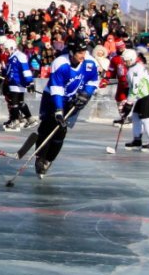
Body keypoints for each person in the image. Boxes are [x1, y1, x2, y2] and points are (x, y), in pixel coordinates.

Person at [32, 35, 99, 178]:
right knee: (46, 128)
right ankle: (40, 158)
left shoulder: (90, 62)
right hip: (52, 98)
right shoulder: (60, 63)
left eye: (84, 51)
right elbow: (56, 88)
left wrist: (85, 94)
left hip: (72, 100)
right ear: (71, 52)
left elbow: (93, 81)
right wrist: (58, 110)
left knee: (61, 131)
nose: (83, 55)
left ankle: (48, 160)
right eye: (79, 52)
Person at [120, 48, 149, 152]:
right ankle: (137, 139)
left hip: (147, 95)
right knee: (135, 115)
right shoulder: (136, 67)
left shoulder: (134, 70)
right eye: (123, 60)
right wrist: (129, 101)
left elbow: (135, 88)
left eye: (126, 61)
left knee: (145, 118)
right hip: (143, 95)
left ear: (132, 60)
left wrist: (129, 103)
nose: (124, 62)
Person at [0, 37, 36, 130]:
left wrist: (30, 82)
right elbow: (9, 71)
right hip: (13, 82)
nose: (6, 51)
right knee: (19, 103)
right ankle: (30, 119)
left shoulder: (19, 56)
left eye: (7, 49)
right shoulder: (12, 57)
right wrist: (2, 72)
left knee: (15, 103)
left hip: (18, 83)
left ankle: (15, 121)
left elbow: (26, 69)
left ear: (11, 48)